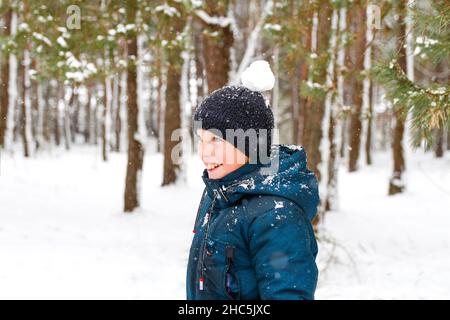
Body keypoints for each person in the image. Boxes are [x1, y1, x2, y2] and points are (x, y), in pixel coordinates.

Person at [186, 61, 320, 300]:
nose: (204, 152)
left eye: (216, 141)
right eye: (201, 139)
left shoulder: (275, 214)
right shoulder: (217, 192)